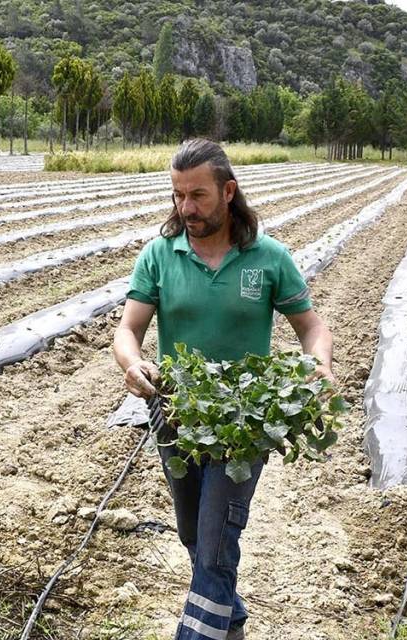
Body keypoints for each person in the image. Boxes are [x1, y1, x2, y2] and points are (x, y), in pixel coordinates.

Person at [112, 139, 336, 640]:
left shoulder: (268, 257)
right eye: (177, 195)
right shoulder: (159, 256)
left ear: (228, 191)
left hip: (245, 418)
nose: (185, 208)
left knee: (215, 541)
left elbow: (312, 327)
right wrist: (132, 363)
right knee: (195, 534)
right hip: (175, 412)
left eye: (198, 196)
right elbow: (128, 330)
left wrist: (317, 364)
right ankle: (229, 624)